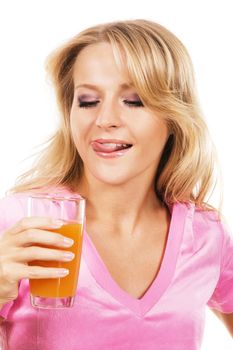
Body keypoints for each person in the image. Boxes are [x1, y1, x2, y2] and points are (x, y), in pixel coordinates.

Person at [0, 18, 232, 350]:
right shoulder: (23, 222)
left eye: (134, 100)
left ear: (174, 117)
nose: (105, 119)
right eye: (88, 101)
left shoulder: (207, 235)